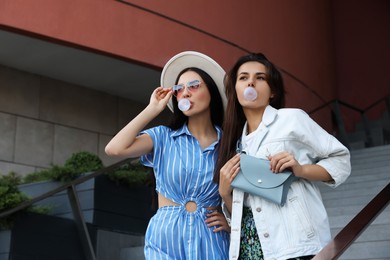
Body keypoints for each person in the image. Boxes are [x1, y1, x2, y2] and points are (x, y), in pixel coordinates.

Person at [214, 53, 351, 260]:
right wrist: (225, 194)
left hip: (295, 244)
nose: (250, 82)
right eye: (243, 78)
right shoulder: (235, 142)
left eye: (260, 77)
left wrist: (301, 170)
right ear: (235, 89)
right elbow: (247, 213)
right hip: (250, 249)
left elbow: (340, 158)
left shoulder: (291, 119)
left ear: (272, 91)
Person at [105, 51, 230, 259]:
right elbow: (114, 149)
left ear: (212, 92)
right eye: (180, 89)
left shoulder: (228, 145)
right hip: (166, 237)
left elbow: (243, 199)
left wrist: (231, 223)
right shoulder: (163, 137)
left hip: (211, 238)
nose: (185, 93)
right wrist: (152, 109)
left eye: (194, 86)